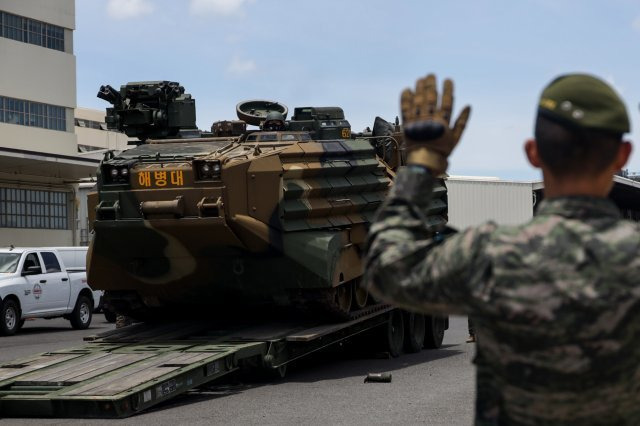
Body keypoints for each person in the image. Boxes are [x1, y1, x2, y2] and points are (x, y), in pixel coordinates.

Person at [365, 73, 638, 425]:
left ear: (533, 153)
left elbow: (386, 268)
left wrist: (420, 167)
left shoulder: (492, 254)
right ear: (623, 155)